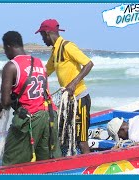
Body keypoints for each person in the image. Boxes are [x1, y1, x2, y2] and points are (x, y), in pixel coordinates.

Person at [0, 31, 50, 165]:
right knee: (43, 162)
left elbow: (5, 103)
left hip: (27, 120)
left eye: (4, 49)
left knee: (11, 161)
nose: (5, 53)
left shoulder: (11, 66)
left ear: (9, 46)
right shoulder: (39, 62)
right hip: (45, 117)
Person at [35, 19, 94, 154]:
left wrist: (74, 83)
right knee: (66, 136)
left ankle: (89, 170)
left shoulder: (67, 46)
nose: (43, 40)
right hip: (68, 101)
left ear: (47, 33)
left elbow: (88, 64)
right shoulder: (55, 51)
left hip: (80, 99)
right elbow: (45, 72)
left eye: (42, 36)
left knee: (81, 139)